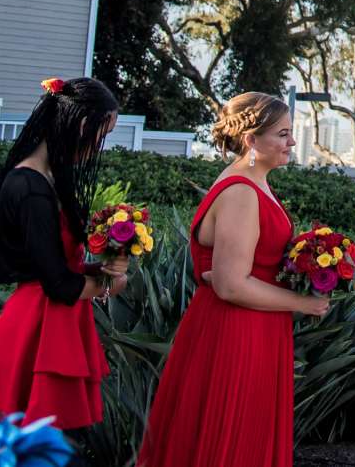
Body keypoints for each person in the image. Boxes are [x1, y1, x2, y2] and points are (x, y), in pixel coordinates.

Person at [137, 92, 334, 467]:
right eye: (282, 133)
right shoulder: (242, 191)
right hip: (237, 333)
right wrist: (304, 303)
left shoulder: (253, 183)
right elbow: (230, 284)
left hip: (256, 327)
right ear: (251, 140)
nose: (291, 142)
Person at [0, 75, 126, 433]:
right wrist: (111, 285)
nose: (99, 145)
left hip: (55, 321)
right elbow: (57, 284)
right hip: (38, 326)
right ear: (81, 124)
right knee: (30, 439)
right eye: (102, 133)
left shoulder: (49, 180)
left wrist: (100, 267)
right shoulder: (31, 188)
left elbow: (58, 263)